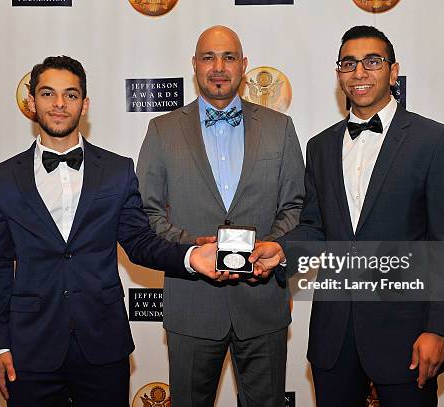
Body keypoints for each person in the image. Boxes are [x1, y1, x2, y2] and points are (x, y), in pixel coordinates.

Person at [0, 55, 226, 407]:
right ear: (31, 102)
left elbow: (140, 243)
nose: (60, 104)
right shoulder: (2, 178)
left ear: (85, 104)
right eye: (48, 94)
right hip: (30, 347)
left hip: (103, 343)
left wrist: (190, 256)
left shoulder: (117, 170)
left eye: (71, 94)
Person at [251, 26, 444, 406]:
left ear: (393, 70)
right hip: (334, 336)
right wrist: (282, 251)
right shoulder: (320, 146)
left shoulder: (434, 141)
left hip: (407, 334)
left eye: (372, 61)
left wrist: (439, 329)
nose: (359, 72)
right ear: (338, 74)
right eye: (348, 63)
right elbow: (316, 228)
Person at [136, 26, 304, 407]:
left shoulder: (280, 129)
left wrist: (270, 246)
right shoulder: (161, 130)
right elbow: (148, 213)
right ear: (194, 64)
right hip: (191, 306)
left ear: (243, 65)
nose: (218, 66)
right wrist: (193, 250)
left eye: (229, 57)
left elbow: (295, 205)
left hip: (262, 306)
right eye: (208, 57)